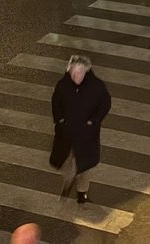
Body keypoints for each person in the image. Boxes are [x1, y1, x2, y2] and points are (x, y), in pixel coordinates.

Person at [50, 54, 111, 205]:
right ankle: (69, 180)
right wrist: (59, 120)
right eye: (73, 73)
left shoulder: (96, 87)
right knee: (67, 158)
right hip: (67, 131)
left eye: (79, 73)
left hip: (86, 133)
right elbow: (55, 103)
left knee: (85, 164)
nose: (76, 76)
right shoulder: (63, 85)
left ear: (86, 72)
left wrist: (93, 121)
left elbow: (105, 105)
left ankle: (82, 192)